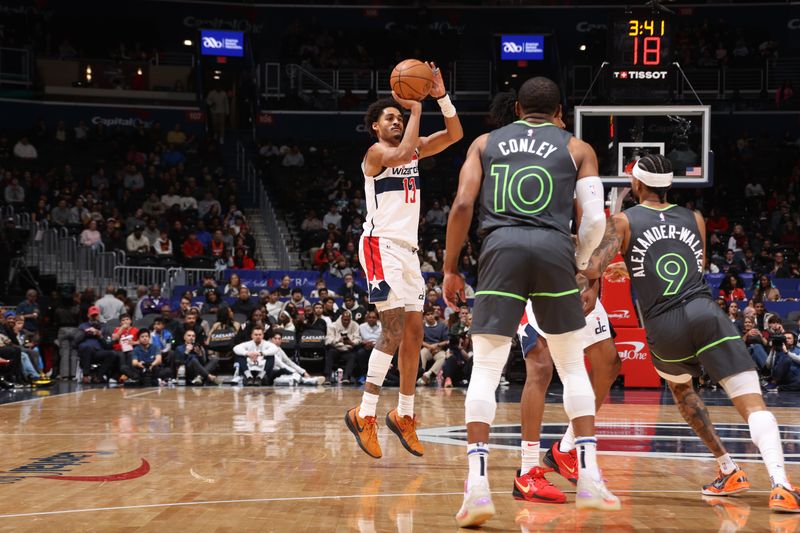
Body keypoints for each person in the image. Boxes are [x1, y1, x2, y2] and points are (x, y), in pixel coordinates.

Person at [441, 77, 617, 526]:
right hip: (555, 248)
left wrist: (450, 267)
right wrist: (581, 262)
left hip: (500, 247)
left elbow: (463, 204)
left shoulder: (485, 142)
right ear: (560, 110)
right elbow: (596, 219)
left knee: (486, 368)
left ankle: (478, 486)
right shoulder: (578, 148)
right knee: (573, 366)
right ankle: (591, 476)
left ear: (517, 108)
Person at [583, 153, 800, 513]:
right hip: (704, 312)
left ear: (637, 185)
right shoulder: (695, 218)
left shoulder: (621, 221)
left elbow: (593, 266)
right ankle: (781, 485)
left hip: (662, 326)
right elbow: (693, 265)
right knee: (751, 401)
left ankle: (728, 467)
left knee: (683, 392)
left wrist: (606, 271)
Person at [346, 61, 463, 460]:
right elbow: (401, 153)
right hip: (380, 247)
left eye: (399, 116)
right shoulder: (377, 153)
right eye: (389, 118)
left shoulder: (412, 150)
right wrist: (415, 108)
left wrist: (440, 95)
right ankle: (364, 414)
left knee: (413, 336)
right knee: (392, 331)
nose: (395, 121)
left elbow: (455, 134)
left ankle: (405, 415)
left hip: (408, 253)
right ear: (375, 128)